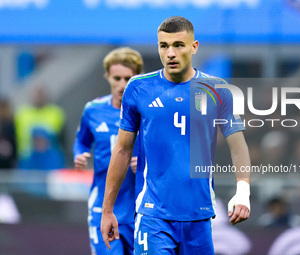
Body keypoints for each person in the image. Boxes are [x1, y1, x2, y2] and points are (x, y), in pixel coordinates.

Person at [101, 16, 251, 255]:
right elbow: (122, 150)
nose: (170, 53)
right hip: (154, 215)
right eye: (164, 46)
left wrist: (243, 192)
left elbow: (237, 145)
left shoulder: (217, 89)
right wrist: (107, 210)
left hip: (199, 216)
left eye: (178, 45)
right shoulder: (139, 88)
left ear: (194, 47)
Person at [73, 47, 144, 255]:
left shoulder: (149, 111)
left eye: (128, 78)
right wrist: (80, 154)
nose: (122, 85)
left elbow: (166, 151)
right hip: (102, 207)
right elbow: (81, 142)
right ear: (107, 76)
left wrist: (146, 164)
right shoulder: (93, 110)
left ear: (137, 77)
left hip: (139, 209)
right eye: (117, 78)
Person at [14, 85, 65, 169]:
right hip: (25, 157)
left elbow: (62, 138)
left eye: (41, 95)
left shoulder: (56, 113)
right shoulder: (22, 113)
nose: (39, 98)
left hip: (50, 158)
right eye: (37, 95)